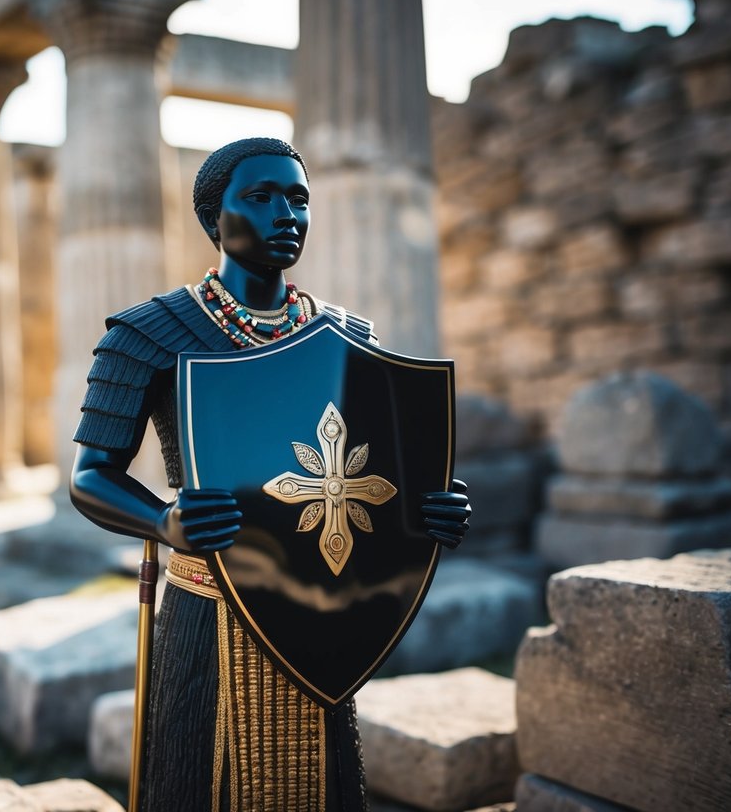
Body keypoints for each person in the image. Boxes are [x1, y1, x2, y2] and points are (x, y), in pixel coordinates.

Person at [70, 137, 471, 812]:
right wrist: (161, 521)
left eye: (298, 199)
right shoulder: (148, 334)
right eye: (260, 197)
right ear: (213, 218)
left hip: (321, 614)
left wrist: (428, 512)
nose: (286, 215)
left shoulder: (348, 339)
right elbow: (90, 477)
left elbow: (374, 477)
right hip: (209, 603)